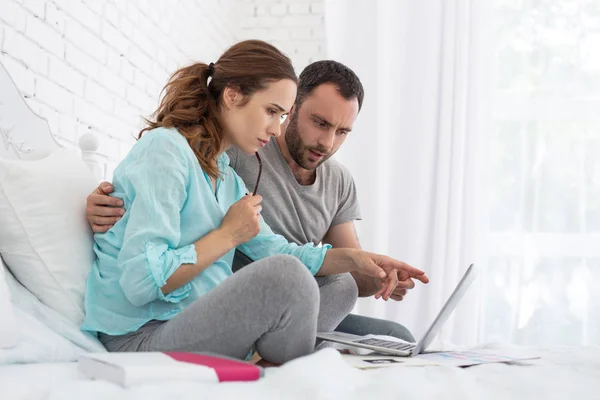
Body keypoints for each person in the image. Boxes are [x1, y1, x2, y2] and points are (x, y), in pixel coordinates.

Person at [81, 40, 429, 366]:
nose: (276, 128)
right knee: (289, 277)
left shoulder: (225, 175)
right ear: (231, 96)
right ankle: (292, 364)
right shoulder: (167, 151)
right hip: (142, 338)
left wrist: (358, 259)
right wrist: (228, 235)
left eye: (281, 115)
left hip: (192, 321)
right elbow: (140, 281)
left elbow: (279, 251)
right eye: (273, 112)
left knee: (338, 285)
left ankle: (286, 363)